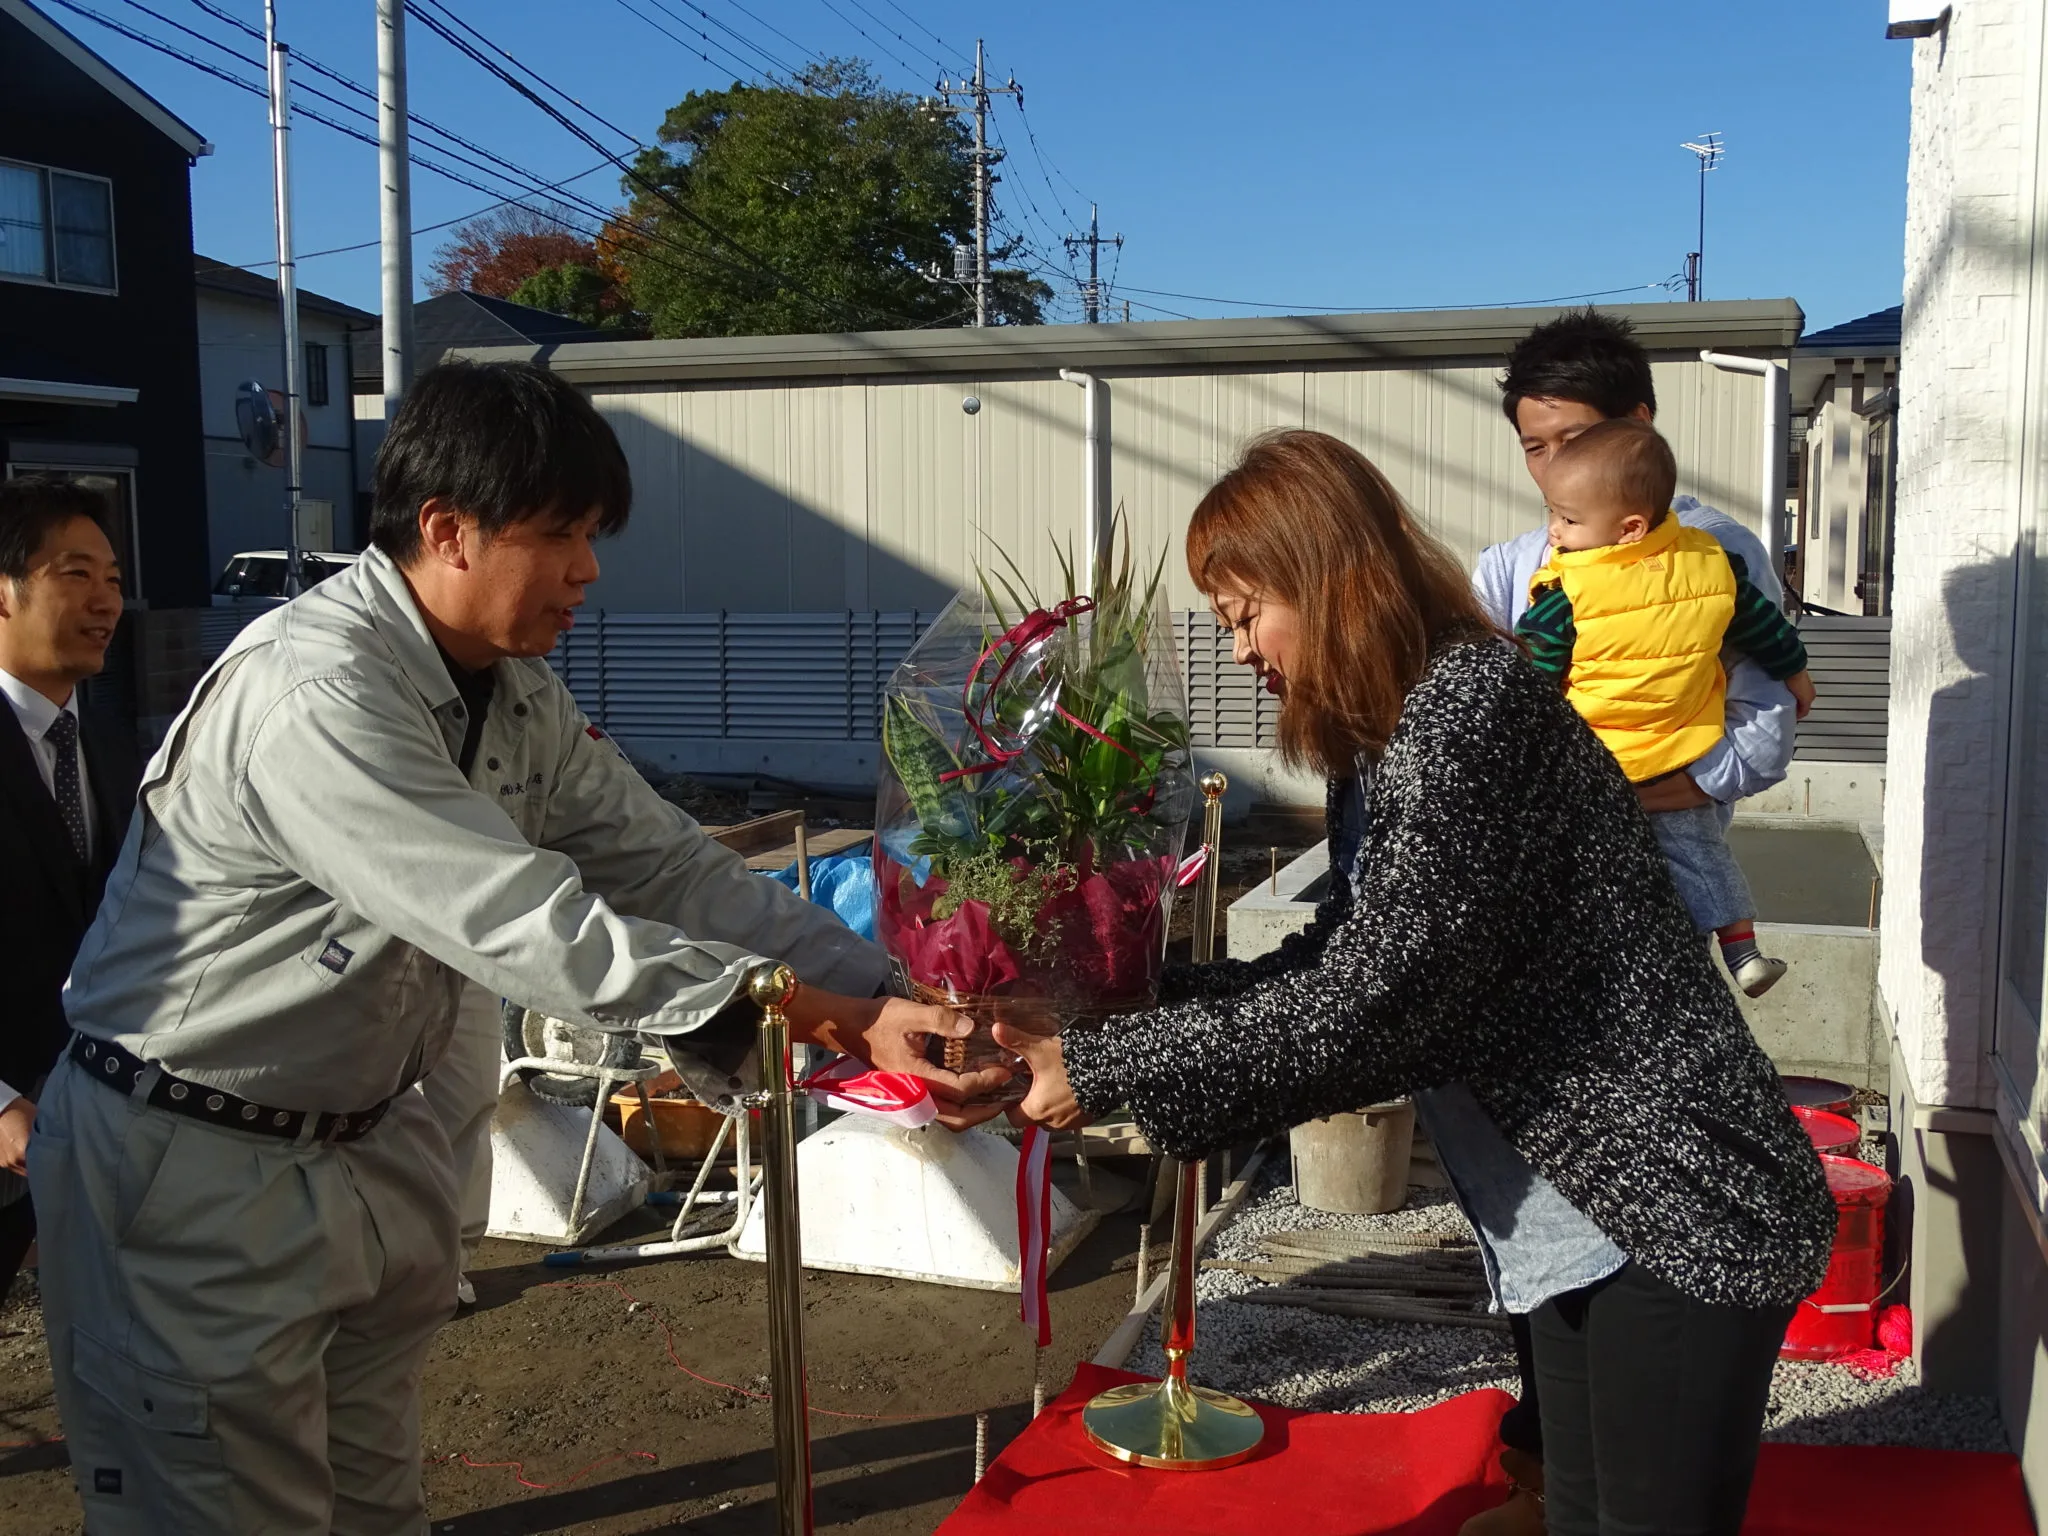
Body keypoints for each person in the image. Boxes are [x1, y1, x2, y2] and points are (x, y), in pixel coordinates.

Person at [28, 360, 997, 1534]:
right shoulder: (318, 690)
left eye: (592, 533)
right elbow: (515, 915)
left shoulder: (515, 694)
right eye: (561, 534)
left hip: (358, 1143)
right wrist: (812, 1011)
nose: (588, 569)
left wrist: (888, 987)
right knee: (223, 1508)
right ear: (448, 532)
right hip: (192, 1157)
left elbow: (671, 866)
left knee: (376, 1499)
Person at [1000, 430, 1834, 1536]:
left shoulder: (1464, 712)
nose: (1241, 651)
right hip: (1587, 1208)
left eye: (1245, 614)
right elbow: (1347, 957)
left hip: (1668, 1204)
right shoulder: (1401, 729)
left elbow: (1378, 1005)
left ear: (1325, 573)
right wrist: (1129, 1002)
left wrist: (1105, 1063)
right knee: (1573, 1510)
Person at [1455, 308, 1804, 1534]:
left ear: (1639, 426)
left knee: (1655, 1140)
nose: (1551, 470)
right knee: (1544, 1160)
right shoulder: (1517, 566)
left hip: (1662, 876)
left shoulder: (1719, 555)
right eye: (1533, 449)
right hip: (1547, 903)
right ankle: (1556, 1454)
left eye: (1570, 442)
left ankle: (1635, 1416)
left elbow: (1762, 730)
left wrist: (1638, 789)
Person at [1517, 418, 1815, 996]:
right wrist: (1797, 675)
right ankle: (1743, 950)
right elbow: (1765, 629)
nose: (1553, 532)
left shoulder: (1567, 592)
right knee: (1701, 850)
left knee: (1587, 868)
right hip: (1685, 748)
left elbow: (1534, 677)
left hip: (1598, 760)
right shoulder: (1713, 565)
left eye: (1568, 519)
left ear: (1630, 528)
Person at [0, 476, 136, 1312]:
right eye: (75, 574)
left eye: (114, 579)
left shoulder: (115, 744)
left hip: (98, 1118)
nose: (105, 601)